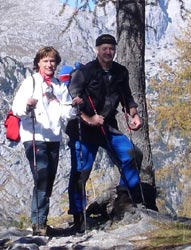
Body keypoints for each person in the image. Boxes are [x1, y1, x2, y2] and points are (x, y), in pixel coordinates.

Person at [66, 34, 143, 234]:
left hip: (107, 126)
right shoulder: (84, 72)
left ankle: (124, 199)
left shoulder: (121, 72)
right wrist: (89, 119)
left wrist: (133, 115)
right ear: (97, 50)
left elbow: (127, 98)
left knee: (133, 154)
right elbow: (72, 100)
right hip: (83, 127)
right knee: (81, 171)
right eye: (104, 48)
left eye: (111, 48)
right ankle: (77, 215)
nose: (108, 52)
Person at [11, 46, 75, 236]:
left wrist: (74, 106)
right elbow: (17, 110)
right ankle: (38, 225)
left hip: (53, 138)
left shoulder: (59, 86)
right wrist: (27, 105)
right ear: (38, 63)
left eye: (52, 61)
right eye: (45, 61)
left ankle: (42, 222)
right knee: (42, 177)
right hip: (34, 137)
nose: (49, 64)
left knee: (49, 179)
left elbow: (66, 112)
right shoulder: (29, 83)